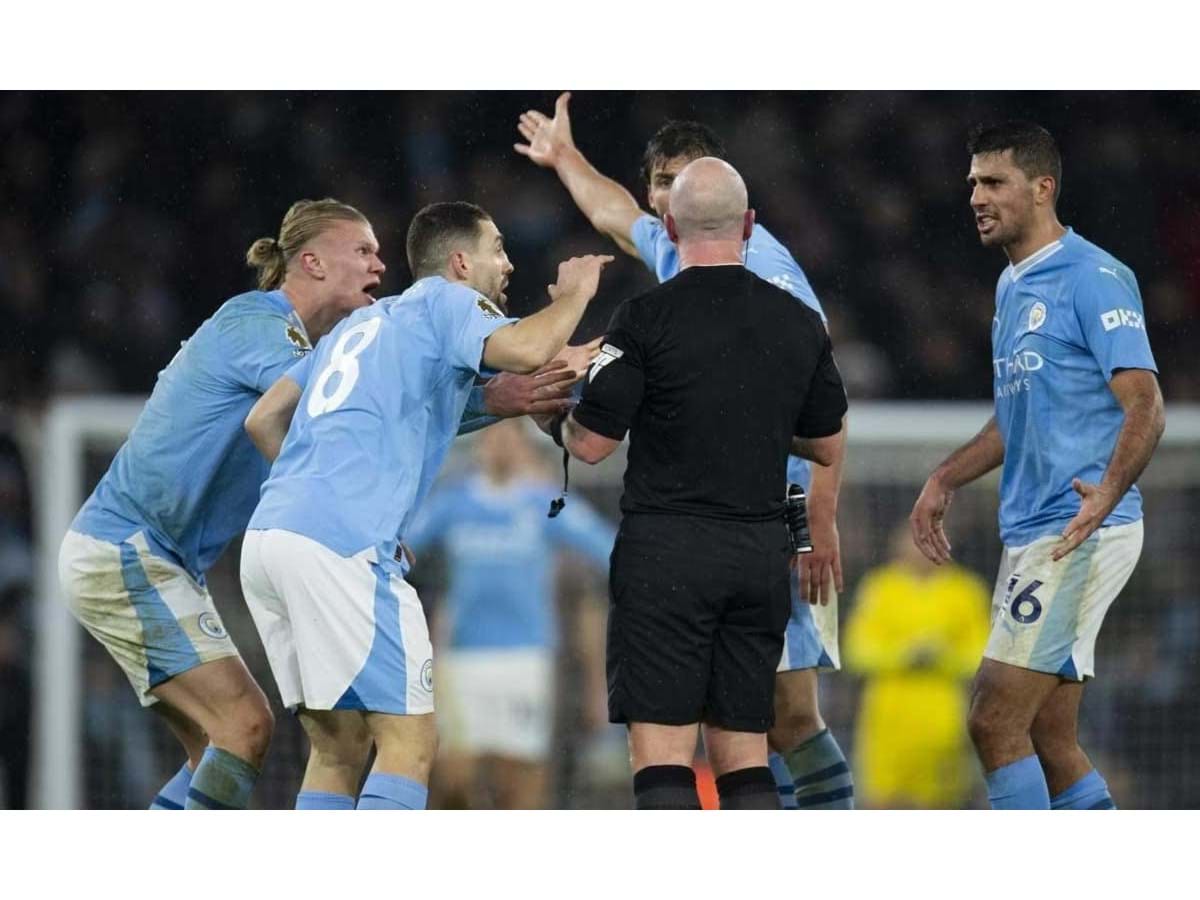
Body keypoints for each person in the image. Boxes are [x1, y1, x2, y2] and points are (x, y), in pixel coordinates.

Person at [57, 198, 579, 811]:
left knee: (240, 745)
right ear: (310, 262)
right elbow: (343, 401)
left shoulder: (319, 347)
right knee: (262, 730)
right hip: (128, 548)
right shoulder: (255, 322)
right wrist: (493, 397)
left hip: (169, 560)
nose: (380, 266)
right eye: (362, 251)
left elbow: (279, 420)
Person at [516, 93, 854, 808]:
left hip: (773, 505)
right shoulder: (676, 246)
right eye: (661, 179)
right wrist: (565, 157)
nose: (665, 193)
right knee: (751, 728)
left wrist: (820, 519)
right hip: (739, 525)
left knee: (780, 715)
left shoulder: (765, 271)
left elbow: (821, 402)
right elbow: (609, 211)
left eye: (681, 178)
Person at [239, 201, 613, 811]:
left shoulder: (359, 329)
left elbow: (264, 419)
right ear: (461, 262)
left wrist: (322, 498)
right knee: (411, 742)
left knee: (337, 748)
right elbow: (524, 348)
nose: (508, 262)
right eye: (498, 247)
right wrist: (576, 293)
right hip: (342, 547)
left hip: (272, 538)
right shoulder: (447, 299)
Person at [910, 122, 1165, 810]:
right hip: (1034, 533)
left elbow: (1146, 403)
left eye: (993, 182)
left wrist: (1107, 493)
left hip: (1076, 529)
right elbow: (1014, 420)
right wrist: (945, 477)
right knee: (1050, 739)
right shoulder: (1011, 287)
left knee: (992, 721)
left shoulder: (1095, 277)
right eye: (972, 183)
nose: (975, 197)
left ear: (1042, 187)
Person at [405, 418, 615, 809]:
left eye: (510, 437)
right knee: (453, 776)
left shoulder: (544, 502)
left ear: (523, 446)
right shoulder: (454, 503)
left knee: (519, 773)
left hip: (526, 656)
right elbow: (403, 549)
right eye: (493, 435)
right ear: (481, 444)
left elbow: (604, 546)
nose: (500, 444)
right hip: (463, 658)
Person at [843, 524, 990, 809]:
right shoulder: (880, 588)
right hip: (887, 717)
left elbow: (981, 656)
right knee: (880, 802)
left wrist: (942, 656)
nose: (920, 549)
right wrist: (905, 654)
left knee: (939, 802)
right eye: (914, 541)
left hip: (944, 716)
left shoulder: (966, 591)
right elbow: (857, 650)